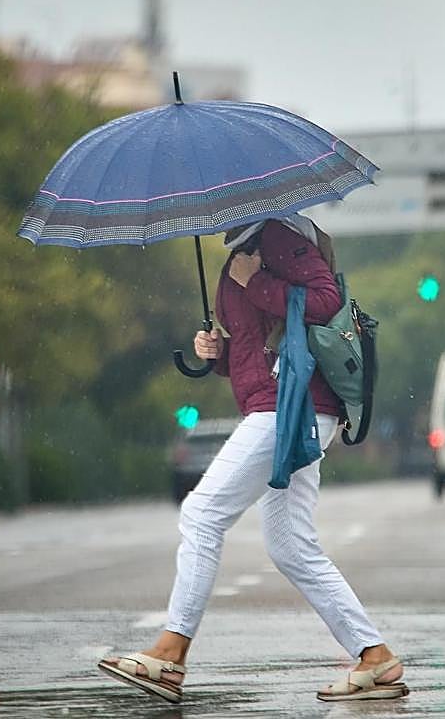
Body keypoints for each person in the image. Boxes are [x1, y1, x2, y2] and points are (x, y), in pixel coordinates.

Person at [98, 216, 406, 704]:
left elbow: (325, 301)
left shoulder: (278, 238)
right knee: (290, 546)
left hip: (289, 406)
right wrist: (216, 352)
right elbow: (258, 343)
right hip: (285, 406)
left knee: (202, 514)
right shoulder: (242, 248)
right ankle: (374, 655)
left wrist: (254, 281)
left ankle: (171, 653)